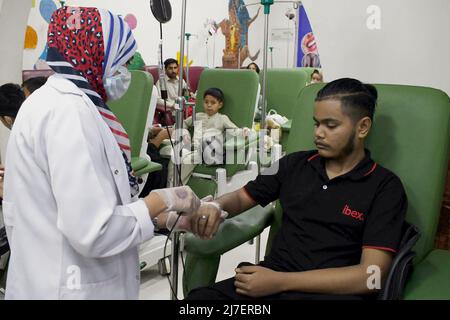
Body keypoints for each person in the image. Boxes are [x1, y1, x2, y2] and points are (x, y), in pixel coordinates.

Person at [2, 7, 202, 300]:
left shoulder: (53, 102)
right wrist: (162, 199)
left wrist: (162, 219)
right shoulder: (69, 114)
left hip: (48, 277)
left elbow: (83, 204)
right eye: (120, 62)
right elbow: (94, 230)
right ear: (93, 55)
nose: (125, 74)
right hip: (70, 287)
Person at [186, 78, 407, 300]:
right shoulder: (294, 165)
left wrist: (279, 282)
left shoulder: (384, 187)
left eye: (330, 125)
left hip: (328, 293)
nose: (318, 133)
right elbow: (243, 197)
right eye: (316, 123)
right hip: (269, 281)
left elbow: (371, 277)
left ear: (362, 127)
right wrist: (215, 205)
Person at [166, 88, 245, 186]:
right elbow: (183, 123)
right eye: (206, 102)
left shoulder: (222, 118)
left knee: (188, 160)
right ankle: (169, 185)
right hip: (194, 147)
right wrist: (185, 133)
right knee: (175, 158)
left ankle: (176, 187)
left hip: (209, 151)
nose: (209, 105)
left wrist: (244, 132)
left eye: (213, 102)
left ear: (220, 105)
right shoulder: (198, 116)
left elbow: (234, 130)